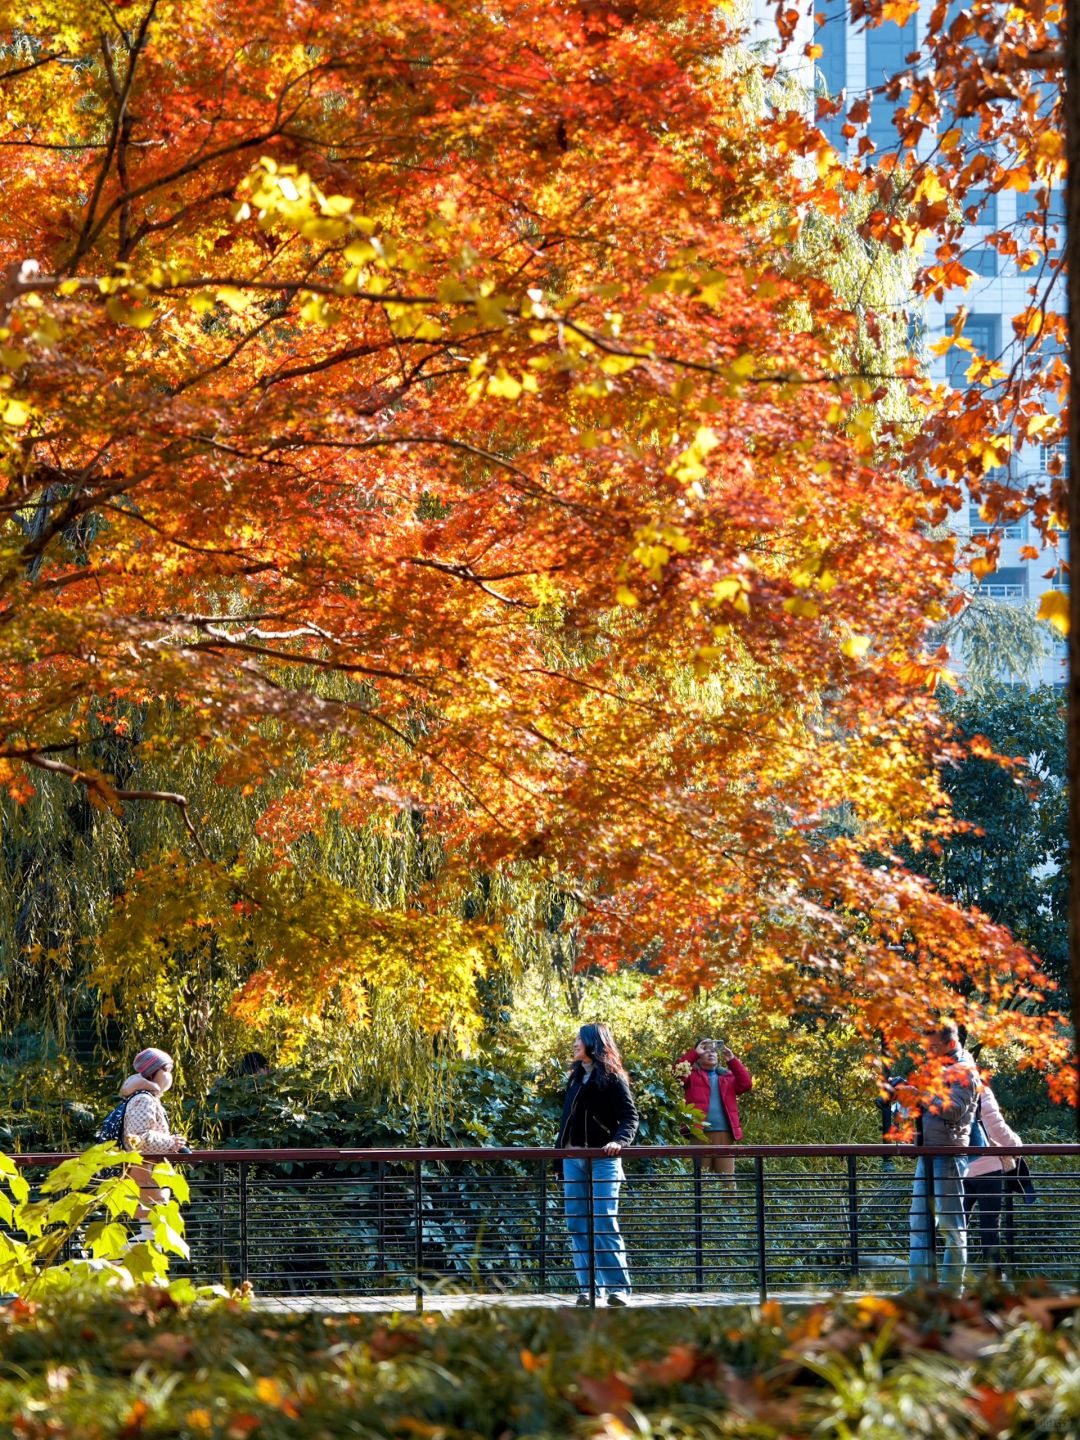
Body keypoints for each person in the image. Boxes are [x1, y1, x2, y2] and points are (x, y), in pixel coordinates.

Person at [555, 1023, 639, 1307]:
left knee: (603, 1222)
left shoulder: (613, 1078)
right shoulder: (575, 1078)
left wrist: (619, 1141)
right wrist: (559, 1158)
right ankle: (590, 1288)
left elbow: (630, 1117)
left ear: (593, 1042)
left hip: (603, 1160)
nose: (575, 1042)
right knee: (577, 1224)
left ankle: (618, 1289)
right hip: (572, 1160)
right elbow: (567, 1121)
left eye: (579, 1038)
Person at [906, 1022, 980, 1290]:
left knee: (951, 1226)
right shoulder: (940, 1068)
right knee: (919, 1223)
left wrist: (922, 1096)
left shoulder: (964, 1070)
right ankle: (919, 1288)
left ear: (951, 1044)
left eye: (934, 1047)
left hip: (948, 1154)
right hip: (927, 1152)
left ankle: (951, 1291)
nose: (929, 1053)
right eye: (927, 1048)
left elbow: (955, 1110)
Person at [118, 1047, 189, 1240]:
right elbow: (139, 1139)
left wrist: (170, 1141)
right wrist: (171, 1142)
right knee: (153, 1235)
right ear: (154, 1072)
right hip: (145, 1174)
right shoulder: (144, 1099)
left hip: (147, 1175)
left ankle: (113, 1265)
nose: (170, 1075)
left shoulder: (144, 1097)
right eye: (167, 1069)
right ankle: (107, 1264)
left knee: (152, 1234)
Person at [964, 1079, 1022, 1280]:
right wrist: (1016, 1146)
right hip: (987, 1169)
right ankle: (994, 1276)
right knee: (989, 1224)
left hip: (959, 1168)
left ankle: (955, 1272)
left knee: (957, 1222)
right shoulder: (980, 1090)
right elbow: (996, 1125)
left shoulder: (945, 1088)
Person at [674, 1037, 752, 1183]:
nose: (711, 1053)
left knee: (727, 1181)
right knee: (702, 1180)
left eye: (714, 1051)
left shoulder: (727, 1075)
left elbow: (746, 1084)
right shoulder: (691, 1075)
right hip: (699, 1133)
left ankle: (730, 1206)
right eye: (705, 1050)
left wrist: (732, 1060)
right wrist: (694, 1053)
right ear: (698, 1056)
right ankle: (702, 1206)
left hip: (725, 1133)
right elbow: (676, 1075)